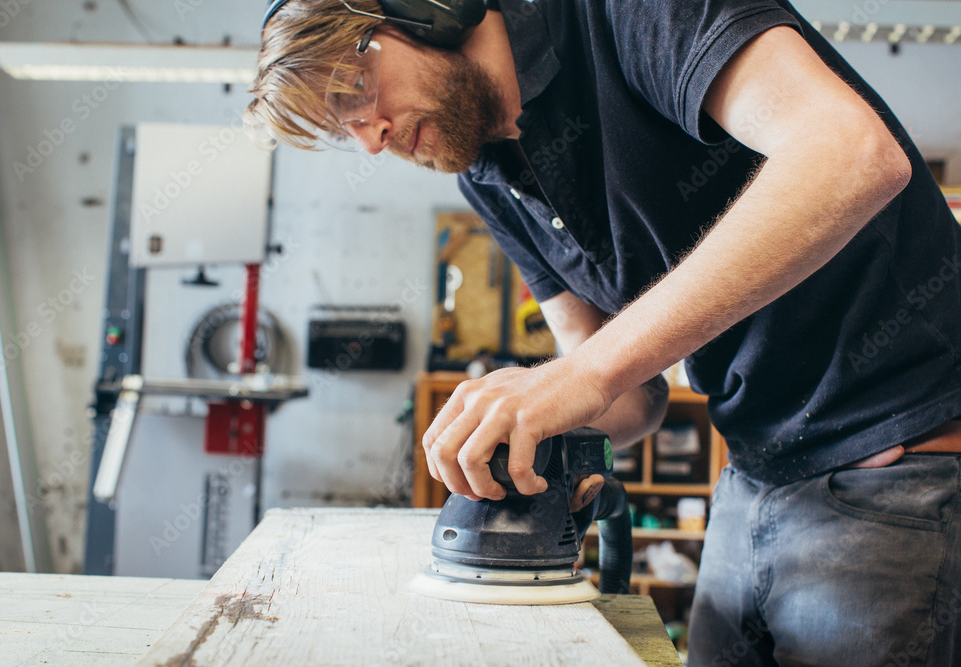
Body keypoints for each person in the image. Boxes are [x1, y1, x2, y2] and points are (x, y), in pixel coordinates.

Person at [247, 1, 961, 664]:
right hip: (752, 475)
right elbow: (632, 396)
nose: (370, 139)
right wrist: (535, 422)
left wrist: (580, 377)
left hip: (897, 469)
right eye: (343, 129)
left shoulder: (624, 14)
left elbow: (851, 152)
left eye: (355, 89)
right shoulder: (487, 175)